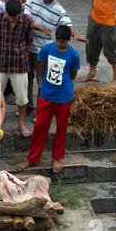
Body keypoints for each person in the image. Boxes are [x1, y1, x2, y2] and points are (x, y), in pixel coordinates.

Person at [16, 26, 80, 173]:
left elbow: (72, 74)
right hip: (46, 95)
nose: (60, 44)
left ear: (69, 40)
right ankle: (32, 158)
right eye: (58, 40)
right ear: (55, 38)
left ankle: (56, 158)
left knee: (61, 128)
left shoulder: (74, 55)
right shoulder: (46, 49)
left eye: (63, 42)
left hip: (64, 97)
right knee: (39, 127)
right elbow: (42, 67)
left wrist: (62, 85)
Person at [24, 0, 88, 114]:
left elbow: (66, 22)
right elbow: (25, 19)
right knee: (27, 80)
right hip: (26, 47)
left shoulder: (58, 9)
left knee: (42, 81)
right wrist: (39, 27)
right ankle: (29, 107)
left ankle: (40, 110)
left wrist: (75, 34)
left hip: (42, 50)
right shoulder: (32, 0)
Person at [0, 0, 33, 137]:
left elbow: (29, 40)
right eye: (9, 16)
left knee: (21, 96)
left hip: (20, 62)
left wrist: (17, 49)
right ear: (5, 12)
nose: (12, 19)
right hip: (0, 61)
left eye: (15, 17)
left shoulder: (27, 21)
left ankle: (21, 123)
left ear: (20, 14)